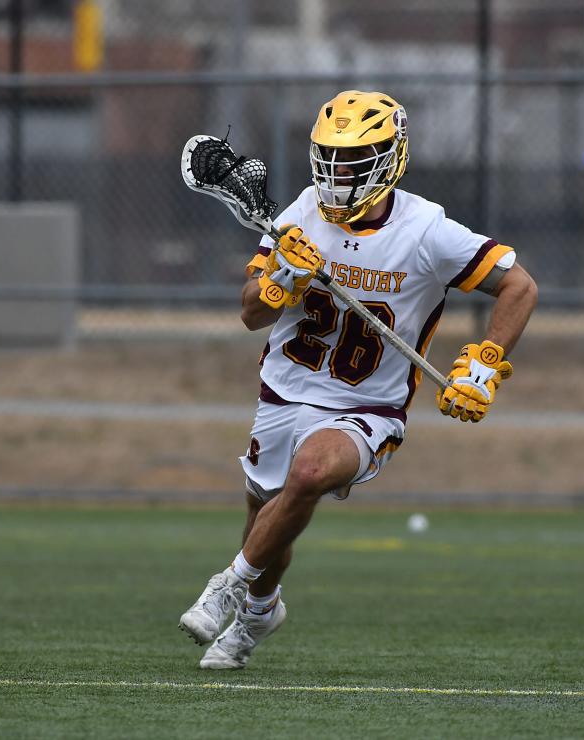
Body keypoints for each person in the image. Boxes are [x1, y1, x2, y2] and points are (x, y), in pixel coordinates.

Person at [179, 90, 538, 669]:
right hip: (285, 388)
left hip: (366, 406)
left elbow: (519, 285)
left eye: (353, 161)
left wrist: (484, 364)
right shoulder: (297, 213)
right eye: (330, 159)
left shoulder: (426, 231)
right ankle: (260, 610)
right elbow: (251, 314)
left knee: (311, 473)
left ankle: (228, 586)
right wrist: (284, 280)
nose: (338, 176)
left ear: (390, 157)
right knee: (267, 517)